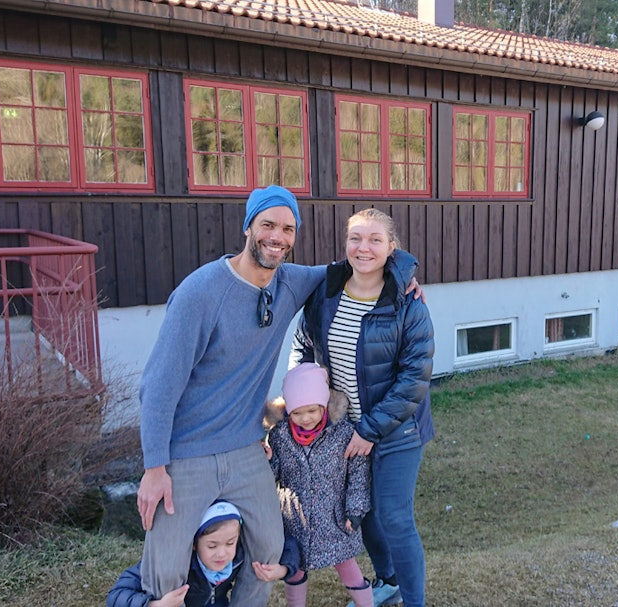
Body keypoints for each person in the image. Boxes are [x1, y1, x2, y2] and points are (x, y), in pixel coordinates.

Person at [135, 186, 422, 606]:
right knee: (167, 570)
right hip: (186, 451)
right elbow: (158, 385)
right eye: (268, 225)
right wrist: (154, 466)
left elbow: (356, 264)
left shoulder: (291, 282)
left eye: (288, 229)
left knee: (269, 551)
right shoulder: (201, 292)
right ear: (248, 226)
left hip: (246, 449)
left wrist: (405, 276)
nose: (277, 236)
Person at [291, 208, 435, 607]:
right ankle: (387, 580)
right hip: (343, 430)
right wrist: (303, 399)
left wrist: (369, 431)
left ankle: (414, 601)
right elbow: (304, 345)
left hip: (395, 431)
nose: (363, 247)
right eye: (355, 238)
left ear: (392, 248)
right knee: (364, 514)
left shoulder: (408, 303)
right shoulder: (326, 291)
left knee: (393, 517)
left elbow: (414, 380)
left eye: (374, 239)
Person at [261, 362, 373, 607]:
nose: (305, 419)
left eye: (312, 410)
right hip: (294, 519)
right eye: (297, 413)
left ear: (323, 405)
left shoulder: (343, 433)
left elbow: (357, 474)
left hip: (334, 517)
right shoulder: (280, 434)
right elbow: (273, 476)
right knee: (295, 567)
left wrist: (355, 510)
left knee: (347, 566)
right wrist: (268, 461)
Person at [107, 501, 300, 607]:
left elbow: (286, 542)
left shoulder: (239, 556)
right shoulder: (172, 562)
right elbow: (116, 596)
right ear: (194, 544)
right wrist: (155, 605)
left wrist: (284, 569)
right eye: (212, 545)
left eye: (230, 543)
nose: (222, 553)